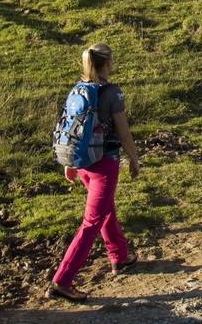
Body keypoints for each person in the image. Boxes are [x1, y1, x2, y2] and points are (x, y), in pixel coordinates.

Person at [48, 42, 140, 301]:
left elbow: (70, 128)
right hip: (104, 164)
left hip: (82, 163)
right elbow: (123, 132)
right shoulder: (111, 93)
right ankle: (62, 281)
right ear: (107, 63)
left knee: (105, 209)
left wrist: (69, 163)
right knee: (92, 222)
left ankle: (119, 256)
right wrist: (133, 159)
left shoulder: (78, 89)